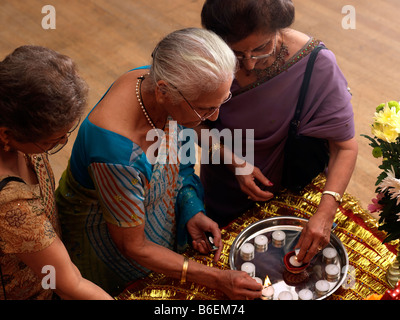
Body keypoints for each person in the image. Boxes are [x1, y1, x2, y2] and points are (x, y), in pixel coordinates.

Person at [55, 28, 262, 299]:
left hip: (144, 214)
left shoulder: (158, 81)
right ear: (164, 91)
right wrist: (217, 278)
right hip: (106, 239)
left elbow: (178, 146)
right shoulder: (117, 154)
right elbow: (133, 247)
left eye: (221, 102)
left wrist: (191, 208)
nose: (213, 117)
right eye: (205, 108)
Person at [200, 0, 358, 264]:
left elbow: (344, 146)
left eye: (261, 49)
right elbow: (193, 124)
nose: (248, 65)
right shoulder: (207, 57)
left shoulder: (314, 64)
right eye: (235, 54)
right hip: (222, 189)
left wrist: (326, 211)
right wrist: (233, 162)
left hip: (293, 196)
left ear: (279, 28)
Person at [0, 45, 112, 300]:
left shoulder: (21, 132)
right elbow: (70, 284)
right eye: (53, 142)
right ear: (7, 134)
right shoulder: (11, 203)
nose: (61, 144)